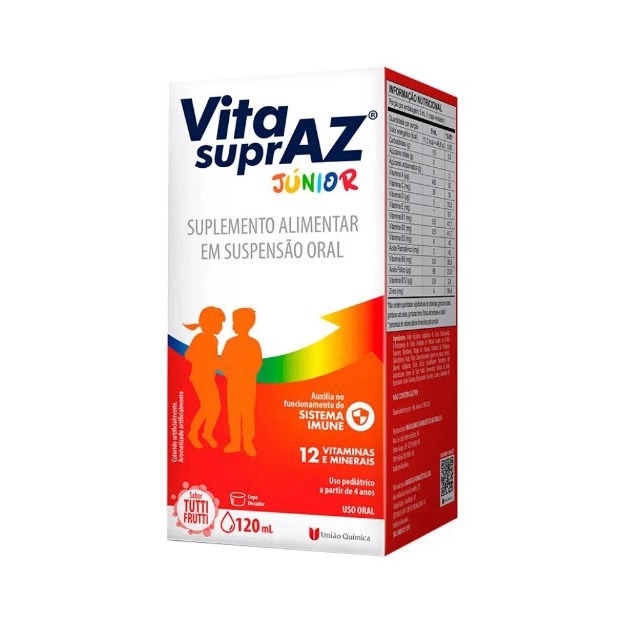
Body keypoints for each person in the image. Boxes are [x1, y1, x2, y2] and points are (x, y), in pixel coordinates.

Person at [220, 308, 263, 456]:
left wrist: (248, 372)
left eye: (238, 322)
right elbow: (223, 361)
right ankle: (235, 443)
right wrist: (228, 372)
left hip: (248, 384)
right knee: (233, 413)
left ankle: (248, 443)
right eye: (235, 321)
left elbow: (257, 363)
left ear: (249, 324)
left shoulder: (254, 344)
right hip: (233, 383)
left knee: (247, 414)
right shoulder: (230, 343)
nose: (235, 324)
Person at [184, 306, 225, 449]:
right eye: (218, 323)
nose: (220, 326)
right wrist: (207, 361)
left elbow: (213, 360)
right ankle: (193, 432)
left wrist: (221, 365)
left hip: (208, 378)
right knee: (208, 406)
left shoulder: (213, 339)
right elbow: (188, 355)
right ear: (207, 323)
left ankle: (207, 433)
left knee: (215, 406)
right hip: (200, 377)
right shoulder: (201, 338)